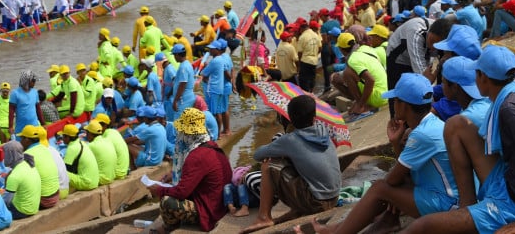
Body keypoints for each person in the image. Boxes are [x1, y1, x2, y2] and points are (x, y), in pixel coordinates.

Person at [405, 45, 515, 234]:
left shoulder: (509, 110)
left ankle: (476, 214)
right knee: (456, 125)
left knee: (422, 226)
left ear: (483, 78)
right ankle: (467, 206)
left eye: (476, 74)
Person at [310, 74, 458, 234]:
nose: (393, 104)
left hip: (447, 204)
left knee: (380, 188)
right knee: (395, 183)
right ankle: (377, 223)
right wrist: (395, 142)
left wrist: (388, 185)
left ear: (405, 106)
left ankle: (339, 232)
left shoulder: (422, 134)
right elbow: (403, 172)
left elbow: (392, 179)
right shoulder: (431, 124)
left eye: (395, 100)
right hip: (445, 196)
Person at [241, 95, 341, 233]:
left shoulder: (291, 140)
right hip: (334, 197)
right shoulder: (322, 130)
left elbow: (258, 155)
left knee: (268, 165)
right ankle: (297, 210)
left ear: (290, 119)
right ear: (314, 117)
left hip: (317, 202)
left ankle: (264, 217)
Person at [147, 108, 232, 233]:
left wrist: (159, 190)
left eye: (181, 132)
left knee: (167, 201)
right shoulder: (210, 146)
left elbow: (182, 192)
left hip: (209, 211)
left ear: (188, 134)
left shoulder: (196, 156)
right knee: (171, 188)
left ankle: (169, 228)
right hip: (218, 204)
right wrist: (174, 175)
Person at [331, 33, 388, 117]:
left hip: (378, 98)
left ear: (341, 49)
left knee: (345, 74)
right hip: (386, 93)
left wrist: (360, 105)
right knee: (344, 75)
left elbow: (370, 80)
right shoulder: (366, 48)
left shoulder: (353, 59)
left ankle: (362, 106)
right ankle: (359, 103)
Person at [18, 125, 60, 209]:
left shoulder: (27, 154)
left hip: (44, 200)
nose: (20, 142)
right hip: (56, 195)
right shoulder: (45, 148)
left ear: (27, 140)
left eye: (22, 139)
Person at [2, 141, 41, 219]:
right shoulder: (29, 164)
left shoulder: (14, 176)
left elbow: (5, 202)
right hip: (34, 208)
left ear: (10, 155)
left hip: (21, 211)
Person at [59, 124, 99, 191]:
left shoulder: (71, 148)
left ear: (68, 137)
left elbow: (65, 169)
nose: (62, 138)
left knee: (60, 173)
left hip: (86, 183)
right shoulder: (81, 143)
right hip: (94, 181)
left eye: (63, 136)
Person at [9, 70, 44, 137]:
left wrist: (43, 123)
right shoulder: (15, 93)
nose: (34, 83)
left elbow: (38, 109)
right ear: (27, 81)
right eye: (33, 81)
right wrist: (10, 127)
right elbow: (11, 111)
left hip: (34, 126)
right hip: (21, 128)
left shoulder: (35, 92)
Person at [94, 113, 130, 180]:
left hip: (117, 173)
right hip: (123, 170)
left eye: (98, 124)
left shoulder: (106, 138)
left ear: (105, 125)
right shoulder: (114, 131)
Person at [201, 41, 227, 134]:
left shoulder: (215, 61)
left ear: (217, 50)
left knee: (212, 113)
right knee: (218, 112)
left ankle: (214, 133)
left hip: (212, 89)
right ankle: (218, 133)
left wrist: (205, 66)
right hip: (219, 89)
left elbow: (203, 73)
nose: (210, 50)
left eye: (212, 49)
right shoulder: (221, 59)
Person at [84, 120, 116, 186]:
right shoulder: (107, 140)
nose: (86, 136)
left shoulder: (91, 145)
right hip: (111, 176)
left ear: (90, 134)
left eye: (87, 133)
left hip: (102, 179)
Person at [296, 20, 321, 92]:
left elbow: (300, 53)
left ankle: (305, 95)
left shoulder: (302, 37)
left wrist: (300, 64)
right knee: (312, 79)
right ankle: (311, 93)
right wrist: (315, 55)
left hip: (305, 60)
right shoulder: (316, 35)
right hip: (314, 61)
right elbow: (320, 48)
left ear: (302, 29)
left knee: (303, 80)